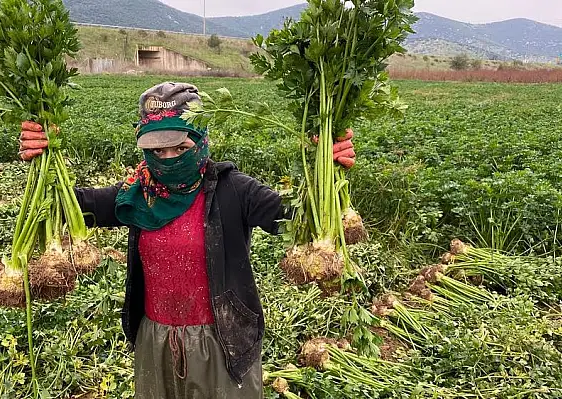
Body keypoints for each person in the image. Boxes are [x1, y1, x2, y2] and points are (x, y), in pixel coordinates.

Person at [18, 82, 356, 398]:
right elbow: (71, 204)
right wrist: (43, 156)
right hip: (156, 340)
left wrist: (325, 166)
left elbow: (292, 213)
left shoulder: (233, 190)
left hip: (223, 341)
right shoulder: (138, 194)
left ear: (202, 139)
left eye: (181, 147)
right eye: (158, 150)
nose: (169, 159)